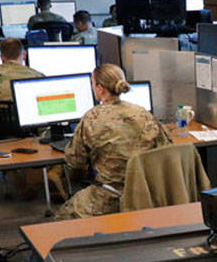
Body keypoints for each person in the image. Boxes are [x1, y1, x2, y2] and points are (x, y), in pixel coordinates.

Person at [57, 63, 172, 219]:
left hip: (110, 196)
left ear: (100, 88)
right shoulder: (143, 113)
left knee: (62, 218)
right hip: (146, 194)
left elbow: (75, 161)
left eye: (93, 84)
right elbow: (166, 149)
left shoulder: (92, 118)